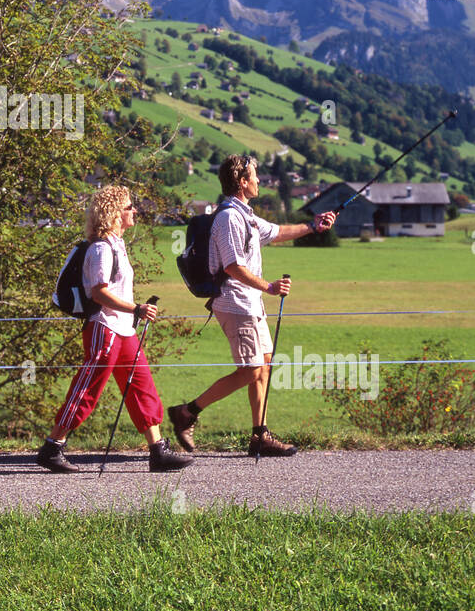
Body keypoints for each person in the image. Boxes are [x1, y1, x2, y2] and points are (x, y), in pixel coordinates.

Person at [167, 154, 335, 457]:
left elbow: (279, 232)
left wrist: (313, 225)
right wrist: (268, 286)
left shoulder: (247, 215)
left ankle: (260, 435)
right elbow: (232, 266)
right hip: (234, 302)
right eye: (254, 176)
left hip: (250, 303)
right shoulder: (229, 218)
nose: (259, 180)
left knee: (264, 365)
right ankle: (187, 412)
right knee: (250, 369)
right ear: (242, 182)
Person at [36, 185, 193, 473]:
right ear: (113, 213)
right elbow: (98, 293)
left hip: (124, 330)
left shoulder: (117, 244)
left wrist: (133, 313)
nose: (135, 211)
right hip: (104, 329)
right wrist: (136, 309)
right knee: (88, 389)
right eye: (129, 206)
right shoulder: (100, 248)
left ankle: (158, 450)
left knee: (142, 386)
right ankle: (52, 446)